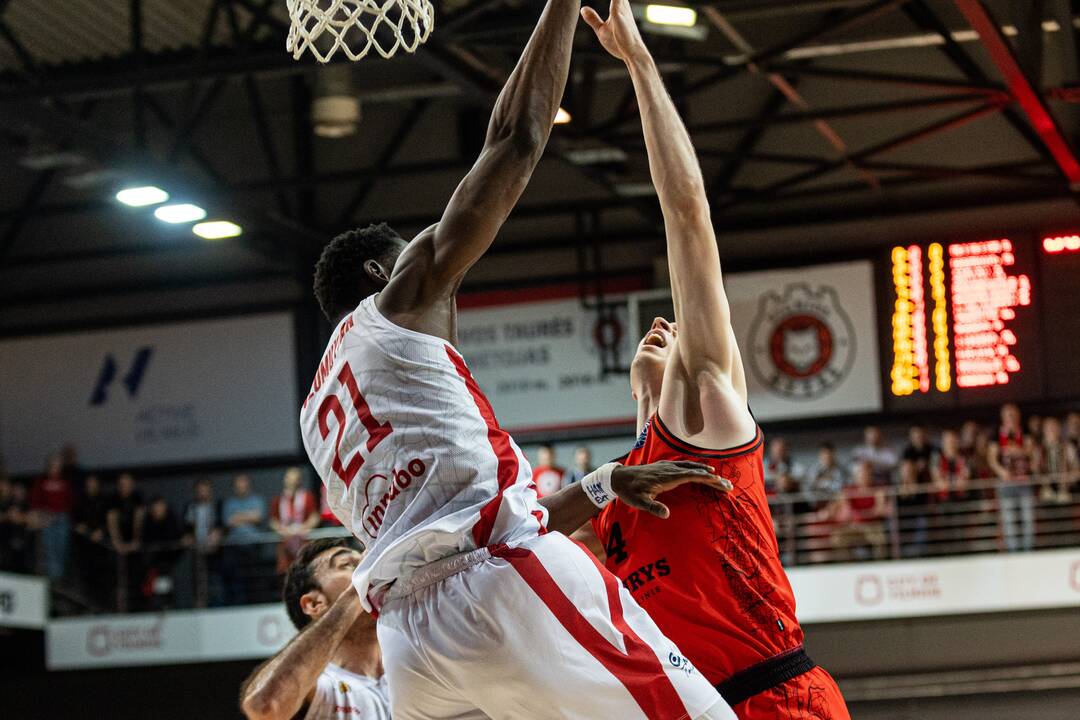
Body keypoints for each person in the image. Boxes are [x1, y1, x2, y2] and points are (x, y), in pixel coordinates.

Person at [297, 0, 733, 714]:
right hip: (499, 586)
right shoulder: (400, 300)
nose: (428, 255)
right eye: (406, 252)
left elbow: (451, 523)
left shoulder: (319, 412)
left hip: (414, 645)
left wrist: (599, 486)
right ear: (383, 275)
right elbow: (517, 138)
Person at [577, 2, 850, 717]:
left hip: (778, 698)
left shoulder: (707, 406)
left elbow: (688, 215)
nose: (661, 330)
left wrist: (638, 64)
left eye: (670, 331)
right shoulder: (619, 492)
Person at [241, 539, 389, 720]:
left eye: (365, 562)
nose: (368, 566)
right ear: (314, 603)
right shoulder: (324, 685)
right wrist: (356, 590)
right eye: (348, 565)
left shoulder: (414, 659)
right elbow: (263, 706)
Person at [988, 403, 1038, 552]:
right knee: (1009, 521)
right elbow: (992, 459)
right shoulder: (996, 434)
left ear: (1018, 416)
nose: (1011, 417)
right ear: (1003, 417)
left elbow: (1030, 452)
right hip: (1006, 484)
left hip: (1024, 482)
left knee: (1028, 519)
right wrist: (1002, 472)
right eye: (1008, 415)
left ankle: (1028, 551)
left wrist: (1017, 450)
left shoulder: (1025, 432)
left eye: (1013, 414)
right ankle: (1013, 552)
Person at [828, 461, 890, 561]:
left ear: (871, 475)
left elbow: (880, 509)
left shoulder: (878, 490)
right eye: (861, 473)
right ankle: (849, 566)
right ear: (856, 475)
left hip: (873, 526)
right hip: (854, 526)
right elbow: (837, 505)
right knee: (837, 539)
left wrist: (857, 514)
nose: (864, 475)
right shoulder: (848, 490)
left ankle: (880, 566)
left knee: (881, 540)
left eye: (867, 473)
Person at [222, 474, 267, 606]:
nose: (241, 486)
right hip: (235, 546)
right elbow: (229, 521)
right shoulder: (229, 503)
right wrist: (248, 516)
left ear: (248, 485)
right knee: (236, 578)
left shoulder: (257, 500)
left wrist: (238, 517)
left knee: (254, 577)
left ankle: (255, 602)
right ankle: (238, 603)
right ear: (235, 487)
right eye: (238, 484)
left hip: (253, 544)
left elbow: (258, 517)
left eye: (244, 483)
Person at [30, 453, 74, 581]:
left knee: (61, 548)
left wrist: (65, 514)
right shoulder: (41, 481)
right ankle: (52, 580)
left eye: (57, 465)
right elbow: (35, 500)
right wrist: (42, 514)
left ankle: (59, 579)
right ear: (48, 466)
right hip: (47, 518)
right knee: (49, 549)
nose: (55, 467)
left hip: (62, 518)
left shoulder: (65, 482)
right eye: (53, 464)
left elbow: (70, 500)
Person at [184, 478, 226, 607]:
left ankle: (218, 606)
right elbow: (187, 527)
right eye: (200, 490)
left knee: (215, 581)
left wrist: (216, 535)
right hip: (197, 550)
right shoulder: (191, 507)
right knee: (198, 581)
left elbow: (222, 525)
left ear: (210, 491)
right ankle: (199, 605)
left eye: (205, 490)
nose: (203, 493)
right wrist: (189, 538)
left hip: (215, 551)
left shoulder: (217, 506)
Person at [270, 468, 320, 575]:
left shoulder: (307, 496)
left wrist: (304, 527)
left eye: (295, 478)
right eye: (290, 478)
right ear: (285, 479)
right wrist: (281, 530)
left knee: (305, 572)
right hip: (285, 543)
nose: (292, 481)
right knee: (286, 574)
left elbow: (315, 516)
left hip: (303, 541)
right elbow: (273, 521)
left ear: (299, 480)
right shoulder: (278, 499)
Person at [107, 472, 146, 610]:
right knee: (117, 579)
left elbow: (139, 519)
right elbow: (112, 520)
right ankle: (117, 607)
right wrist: (117, 543)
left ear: (132, 485)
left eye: (127, 484)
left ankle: (138, 606)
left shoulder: (137, 498)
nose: (125, 487)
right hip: (118, 546)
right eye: (122, 484)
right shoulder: (114, 499)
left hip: (134, 546)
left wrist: (135, 541)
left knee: (136, 578)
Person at [72, 475, 110, 605]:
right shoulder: (80, 501)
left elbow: (108, 521)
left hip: (101, 547)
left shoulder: (103, 500)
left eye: (93, 483)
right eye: (89, 484)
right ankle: (86, 604)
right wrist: (84, 531)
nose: (91, 486)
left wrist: (102, 531)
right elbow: (76, 523)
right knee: (86, 578)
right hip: (84, 547)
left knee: (102, 577)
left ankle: (103, 604)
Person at [142, 496, 185, 610]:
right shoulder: (148, 522)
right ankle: (156, 606)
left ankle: (167, 605)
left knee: (166, 586)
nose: (158, 510)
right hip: (153, 564)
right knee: (154, 588)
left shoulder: (171, 520)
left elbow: (177, 539)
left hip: (169, 563)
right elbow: (146, 541)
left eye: (161, 506)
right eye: (156, 507)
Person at [1039, 416, 1078, 504]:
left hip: (1065, 488)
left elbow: (1076, 467)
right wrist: (1042, 481)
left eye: (1054, 427)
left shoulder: (1068, 447)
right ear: (1044, 430)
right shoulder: (1038, 449)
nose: (1052, 430)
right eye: (1049, 428)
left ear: (1059, 430)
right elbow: (1034, 468)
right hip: (1045, 489)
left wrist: (1069, 479)